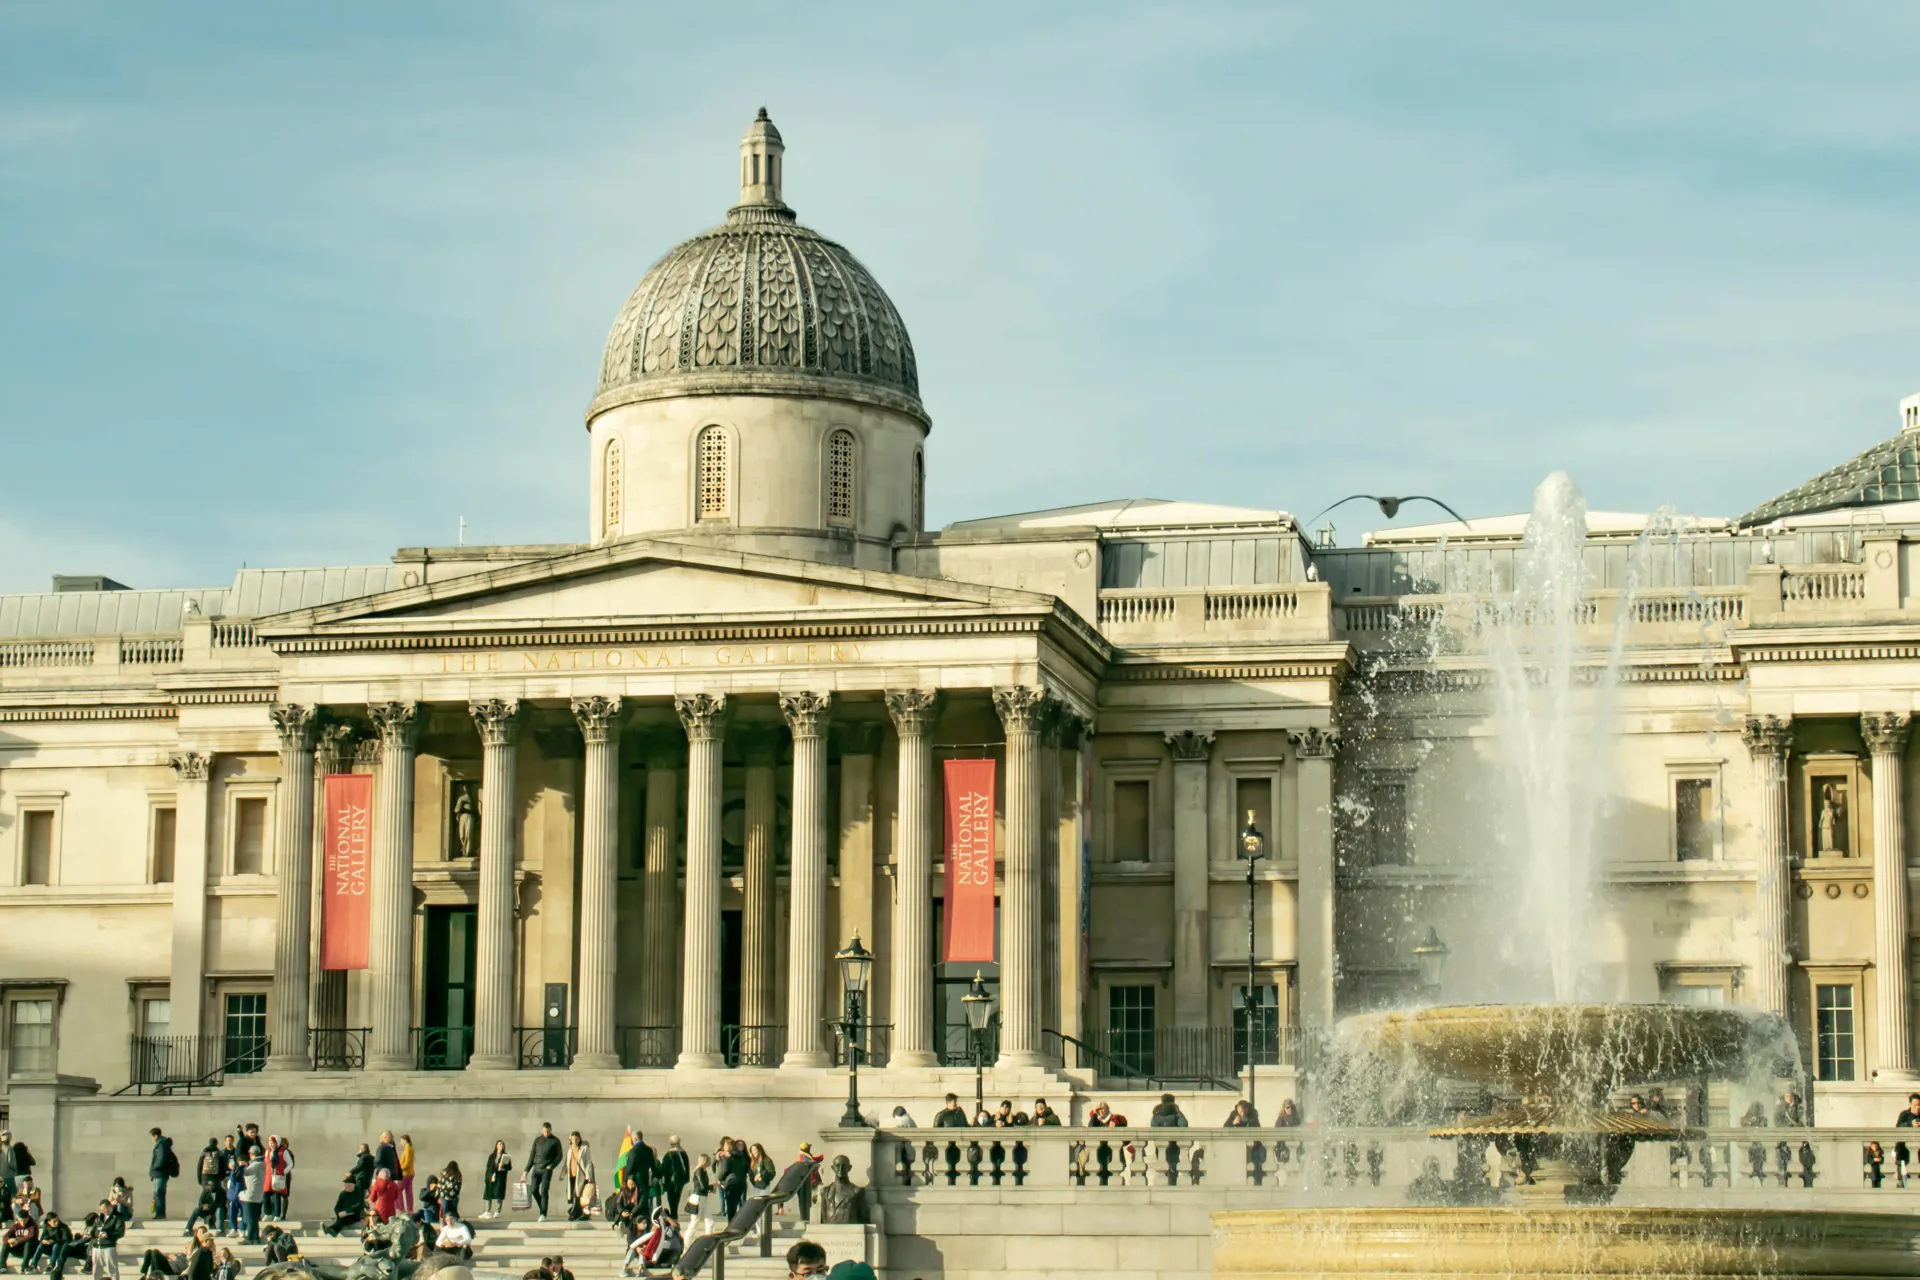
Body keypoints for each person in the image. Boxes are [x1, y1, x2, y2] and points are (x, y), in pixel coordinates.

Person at [526, 1124, 562, 1223]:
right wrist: (525, 1171)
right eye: (545, 1131)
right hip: (536, 1169)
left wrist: (552, 1166)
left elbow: (559, 1156)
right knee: (533, 1190)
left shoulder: (555, 1141)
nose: (546, 1133)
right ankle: (543, 1207)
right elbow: (532, 1156)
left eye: (548, 1131)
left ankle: (543, 1214)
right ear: (542, 1130)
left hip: (546, 1170)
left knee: (544, 1191)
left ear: (551, 1130)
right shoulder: (537, 1140)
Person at [619, 1131, 656, 1221]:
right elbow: (653, 1166)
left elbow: (629, 1168)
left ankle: (633, 1220)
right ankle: (645, 1220)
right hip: (645, 1178)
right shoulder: (649, 1150)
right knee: (644, 1202)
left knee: (635, 1200)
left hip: (634, 1181)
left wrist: (625, 1181)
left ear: (635, 1139)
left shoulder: (633, 1151)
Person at [85, 1201, 123, 1280]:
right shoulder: (98, 1219)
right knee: (96, 1268)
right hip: (97, 1246)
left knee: (112, 1268)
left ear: (110, 1207)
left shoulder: (117, 1218)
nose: (103, 1212)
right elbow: (93, 1231)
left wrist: (108, 1235)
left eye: (105, 1209)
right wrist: (97, 1233)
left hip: (108, 1246)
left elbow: (120, 1232)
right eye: (101, 1210)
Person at [30, 1212, 72, 1277]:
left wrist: (54, 1241)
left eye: (57, 1220)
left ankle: (51, 1265)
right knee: (41, 1245)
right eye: (54, 1221)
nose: (57, 1222)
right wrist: (44, 1241)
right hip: (50, 1247)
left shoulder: (63, 1227)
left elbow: (66, 1239)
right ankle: (33, 1265)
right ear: (49, 1222)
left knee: (56, 1245)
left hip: (60, 1248)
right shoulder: (46, 1226)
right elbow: (43, 1237)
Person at [716, 1140, 748, 1226]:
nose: (724, 1147)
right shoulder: (741, 1155)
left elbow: (725, 1170)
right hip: (741, 1183)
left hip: (731, 1183)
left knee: (731, 1207)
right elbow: (746, 1168)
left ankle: (731, 1227)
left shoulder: (728, 1156)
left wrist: (719, 1179)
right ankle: (738, 1224)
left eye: (725, 1145)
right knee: (737, 1204)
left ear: (728, 1146)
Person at [656, 1138, 688, 1223]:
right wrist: (686, 1179)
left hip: (671, 1181)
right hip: (681, 1181)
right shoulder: (683, 1153)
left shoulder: (669, 1154)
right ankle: (674, 1215)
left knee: (672, 1200)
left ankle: (674, 1216)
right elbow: (687, 1167)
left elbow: (665, 1169)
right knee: (677, 1199)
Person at [564, 1133, 594, 1222]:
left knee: (578, 1195)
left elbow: (588, 1162)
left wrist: (589, 1176)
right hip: (572, 1175)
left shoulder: (584, 1148)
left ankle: (573, 1213)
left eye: (576, 1139)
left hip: (581, 1175)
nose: (575, 1141)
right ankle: (581, 1213)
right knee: (575, 1195)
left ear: (579, 1139)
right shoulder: (570, 1149)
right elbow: (567, 1162)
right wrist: (563, 1174)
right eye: (573, 1139)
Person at [150, 1130, 179, 1221]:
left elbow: (161, 1159)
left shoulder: (161, 1145)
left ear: (155, 1135)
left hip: (160, 1173)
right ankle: (159, 1212)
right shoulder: (162, 1144)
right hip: (160, 1173)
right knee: (159, 1193)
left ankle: (159, 1213)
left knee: (159, 1193)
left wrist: (155, 1168)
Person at [1893, 1092, 1920, 1186]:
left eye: (1919, 1105)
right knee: (1903, 1180)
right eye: (1915, 1105)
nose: (1918, 1108)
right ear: (1910, 1104)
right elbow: (1898, 1128)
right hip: (1904, 1152)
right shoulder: (1904, 1115)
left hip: (1918, 1153)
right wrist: (1910, 1124)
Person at [237, 1152, 265, 1244]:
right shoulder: (263, 1164)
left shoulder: (254, 1165)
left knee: (251, 1219)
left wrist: (241, 1165)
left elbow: (242, 1173)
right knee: (255, 1219)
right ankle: (256, 1238)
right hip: (259, 1196)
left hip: (250, 1196)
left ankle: (249, 1238)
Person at [263, 1138, 292, 1223]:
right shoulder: (268, 1151)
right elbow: (265, 1162)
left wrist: (284, 1172)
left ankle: (277, 1215)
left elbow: (290, 1164)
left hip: (278, 1176)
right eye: (270, 1143)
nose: (272, 1144)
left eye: (274, 1143)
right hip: (269, 1176)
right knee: (265, 1195)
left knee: (276, 1196)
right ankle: (267, 1213)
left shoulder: (283, 1151)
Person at [480, 1142, 512, 1220]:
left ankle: (497, 1211)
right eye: (499, 1144)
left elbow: (509, 1167)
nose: (501, 1145)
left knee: (499, 1195)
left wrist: (502, 1166)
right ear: (496, 1146)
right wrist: (487, 1177)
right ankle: (487, 1211)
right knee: (488, 1194)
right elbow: (488, 1166)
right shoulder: (492, 1156)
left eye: (502, 1144)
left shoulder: (506, 1156)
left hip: (500, 1177)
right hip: (491, 1176)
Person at [685, 1156, 714, 1237]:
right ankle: (686, 1242)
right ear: (705, 1161)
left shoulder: (702, 1170)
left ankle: (708, 1239)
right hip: (698, 1197)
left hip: (702, 1197)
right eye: (708, 1160)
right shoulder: (700, 1170)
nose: (709, 1162)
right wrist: (712, 1187)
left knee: (709, 1220)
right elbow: (703, 1186)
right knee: (695, 1222)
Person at [396, 1135, 416, 1216]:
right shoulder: (410, 1148)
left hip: (405, 1173)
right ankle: (409, 1209)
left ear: (404, 1140)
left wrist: (399, 1169)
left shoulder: (407, 1148)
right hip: (409, 1173)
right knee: (408, 1191)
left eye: (401, 1141)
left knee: (397, 1189)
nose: (400, 1143)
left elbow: (406, 1163)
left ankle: (401, 1208)